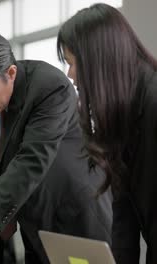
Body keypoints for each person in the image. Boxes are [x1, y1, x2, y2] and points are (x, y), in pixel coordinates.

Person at [0, 30, 112, 264]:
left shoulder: (50, 86)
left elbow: (32, 158)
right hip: (34, 212)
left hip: (75, 211)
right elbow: (8, 157)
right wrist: (7, 213)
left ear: (11, 73)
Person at [57, 3, 157, 263]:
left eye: (72, 63)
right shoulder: (122, 110)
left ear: (99, 60)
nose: (70, 74)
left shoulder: (153, 102)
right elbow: (124, 211)